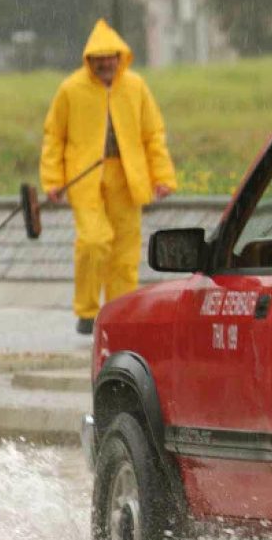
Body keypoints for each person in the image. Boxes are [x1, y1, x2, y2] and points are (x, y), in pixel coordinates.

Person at [40, 19, 177, 335]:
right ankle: (87, 312)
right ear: (88, 60)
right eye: (98, 59)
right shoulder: (70, 89)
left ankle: (120, 312)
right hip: (84, 178)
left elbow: (152, 134)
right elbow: (54, 137)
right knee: (93, 241)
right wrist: (53, 180)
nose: (105, 64)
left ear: (120, 57)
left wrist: (162, 176)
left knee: (125, 253)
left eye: (110, 58)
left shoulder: (136, 87)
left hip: (127, 177)